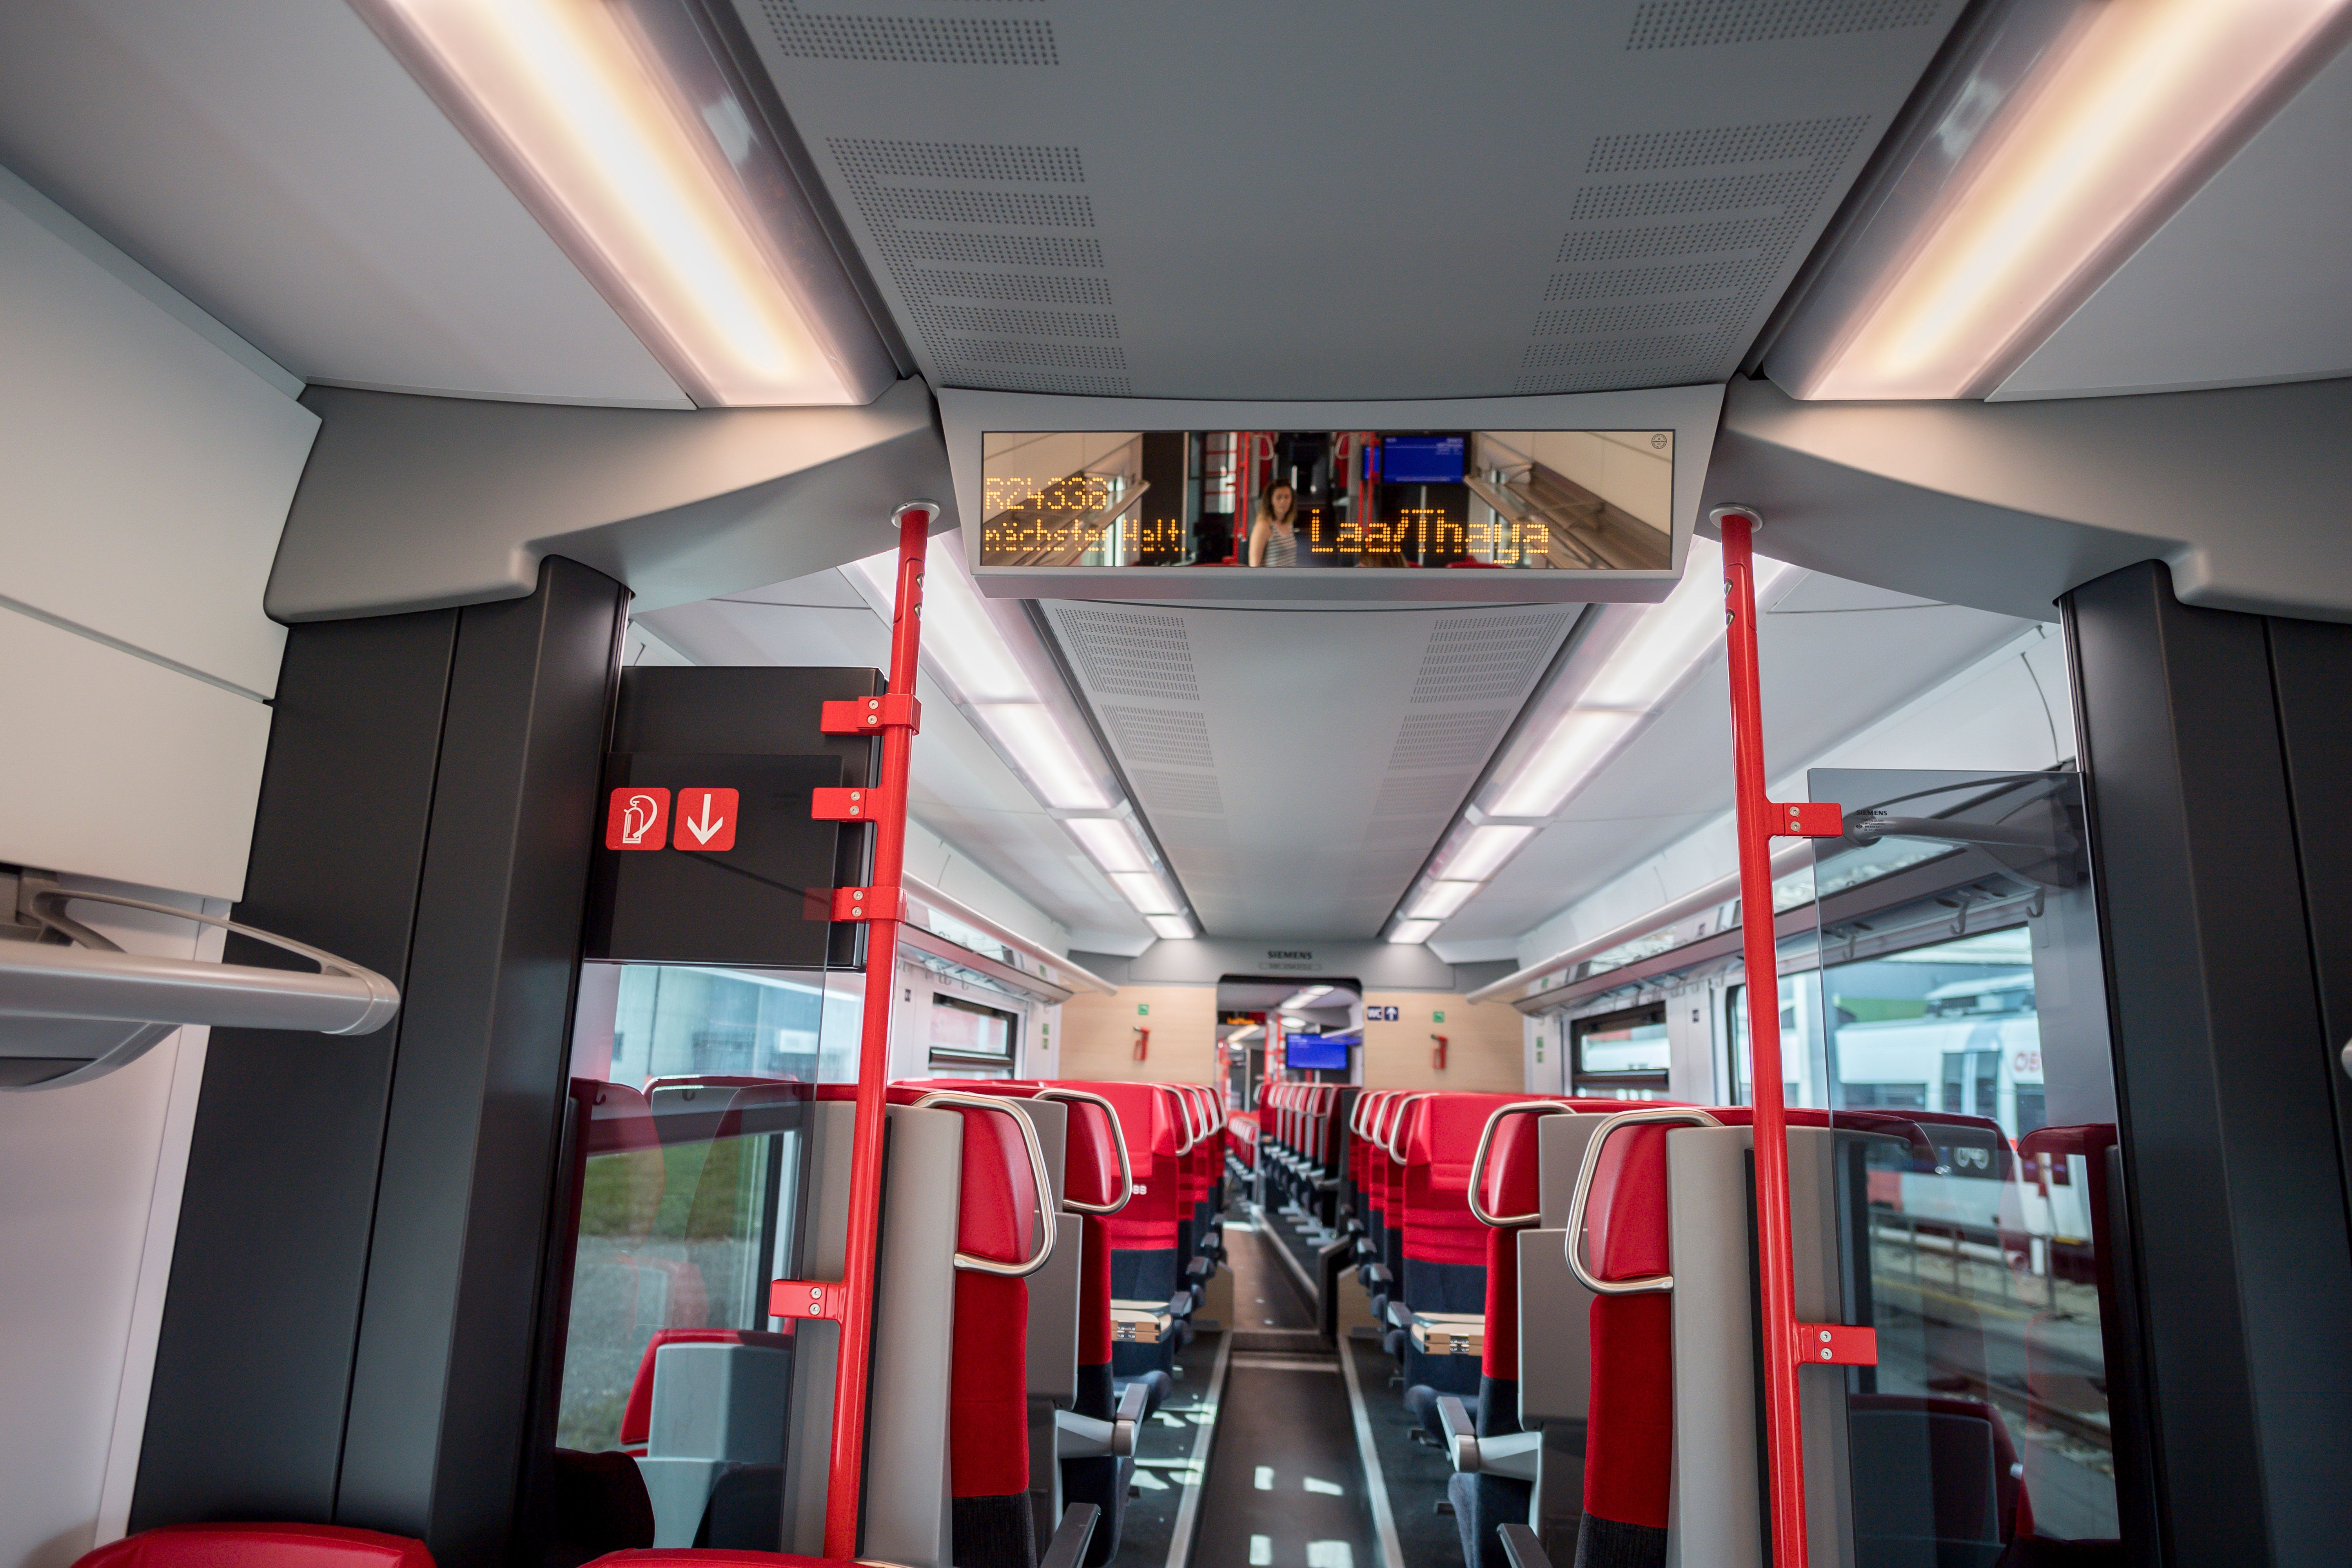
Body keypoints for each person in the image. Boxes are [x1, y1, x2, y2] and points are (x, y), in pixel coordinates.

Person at [1248, 483, 1301, 567]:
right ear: (1271, 500)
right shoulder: (1263, 526)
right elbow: (1254, 566)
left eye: (1287, 497)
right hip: (1271, 579)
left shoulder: (1289, 524)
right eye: (1279, 498)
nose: (1283, 501)